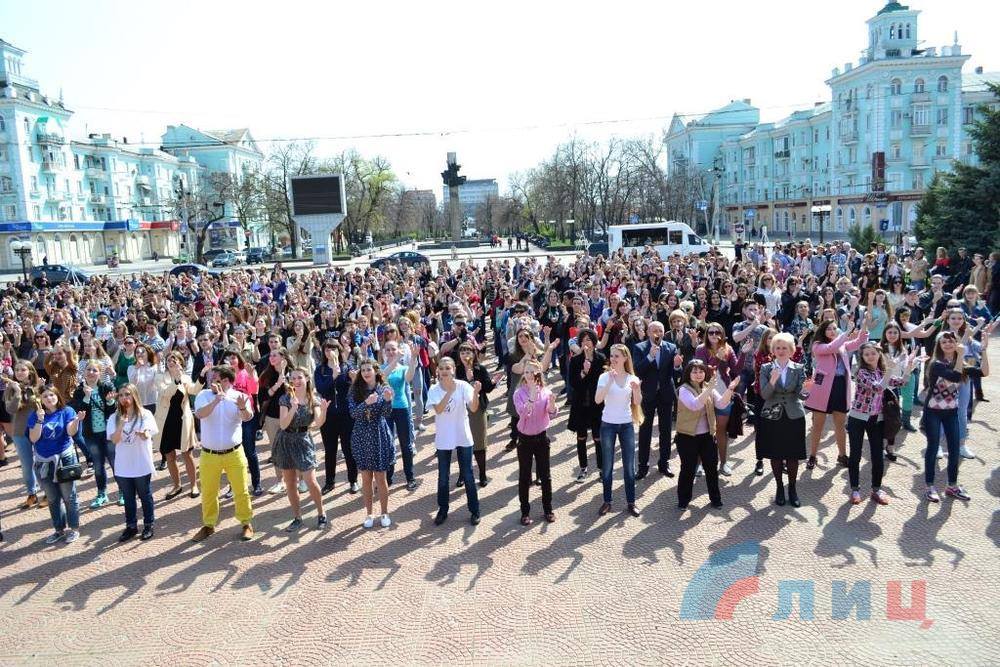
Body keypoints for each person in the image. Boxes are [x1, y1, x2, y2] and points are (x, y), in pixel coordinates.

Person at [845, 343, 918, 506]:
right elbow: (878, 388)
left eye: (873, 353)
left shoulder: (881, 371)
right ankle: (855, 489)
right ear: (862, 358)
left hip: (876, 419)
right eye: (866, 354)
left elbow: (902, 382)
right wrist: (890, 370)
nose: (870, 356)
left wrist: (909, 367)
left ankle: (876, 489)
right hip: (858, 418)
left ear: (879, 355)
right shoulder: (862, 372)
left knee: (877, 455)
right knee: (855, 454)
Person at [191, 365, 255, 542]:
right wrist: (216, 400)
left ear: (228, 381)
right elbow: (200, 414)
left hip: (234, 453)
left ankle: (246, 523)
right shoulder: (204, 395)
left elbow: (248, 417)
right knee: (209, 492)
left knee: (241, 490)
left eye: (218, 380)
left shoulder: (238, 396)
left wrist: (242, 407)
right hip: (209, 454)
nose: (213, 383)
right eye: (212, 379)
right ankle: (209, 525)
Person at [804, 318, 869, 470]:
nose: (832, 331)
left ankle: (842, 455)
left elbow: (859, 341)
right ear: (823, 331)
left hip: (840, 386)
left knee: (839, 424)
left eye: (834, 328)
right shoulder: (818, 345)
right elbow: (831, 347)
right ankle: (813, 456)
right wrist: (846, 332)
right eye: (829, 329)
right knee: (817, 425)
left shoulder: (842, 344)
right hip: (822, 389)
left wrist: (864, 323)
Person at [758, 333, 814, 508]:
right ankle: (779, 488)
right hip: (772, 415)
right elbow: (765, 395)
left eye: (785, 348)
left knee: (792, 455)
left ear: (791, 350)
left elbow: (801, 395)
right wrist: (773, 381)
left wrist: (806, 390)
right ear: (773, 350)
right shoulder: (766, 368)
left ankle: (792, 489)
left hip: (793, 415)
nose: (781, 351)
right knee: (775, 454)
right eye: (778, 348)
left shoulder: (798, 368)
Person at [675, 359, 739, 510]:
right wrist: (709, 390)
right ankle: (683, 501)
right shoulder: (684, 389)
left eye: (701, 371)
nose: (698, 374)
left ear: (705, 372)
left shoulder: (707, 387)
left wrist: (730, 389)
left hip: (707, 435)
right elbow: (695, 405)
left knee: (711, 467)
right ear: (688, 373)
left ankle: (715, 499)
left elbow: (722, 404)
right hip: (687, 436)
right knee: (688, 469)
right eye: (694, 371)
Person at [28, 385, 88, 544]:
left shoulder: (66, 411)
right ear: (41, 399)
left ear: (57, 396)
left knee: (69, 496)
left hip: (64, 460)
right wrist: (40, 420)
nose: (49, 398)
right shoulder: (35, 415)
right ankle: (59, 530)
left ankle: (74, 529)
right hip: (44, 462)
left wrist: (77, 421)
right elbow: (33, 438)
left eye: (52, 395)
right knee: (53, 498)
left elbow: (70, 432)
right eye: (45, 396)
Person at [426, 357, 481, 525]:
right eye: (441, 368)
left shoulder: (463, 386)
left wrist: (476, 393)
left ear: (453, 370)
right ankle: (443, 510)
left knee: (468, 475)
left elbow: (473, 408)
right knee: (443, 476)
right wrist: (449, 391)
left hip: (462, 435)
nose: (444, 371)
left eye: (447, 368)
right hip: (444, 438)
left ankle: (475, 510)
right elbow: (439, 410)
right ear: (438, 371)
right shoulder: (434, 389)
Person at [273, 367, 329, 531]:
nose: (296, 381)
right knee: (290, 483)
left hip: (303, 440)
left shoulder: (314, 399)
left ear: (307, 379)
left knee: (311, 481)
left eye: (299, 378)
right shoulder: (285, 398)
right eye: (293, 378)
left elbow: (318, 423)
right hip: (286, 440)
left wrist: (324, 411)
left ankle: (321, 513)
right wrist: (293, 408)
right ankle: (297, 517)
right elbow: (283, 424)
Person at [594, 344, 643, 517]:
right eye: (612, 356)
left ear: (625, 358)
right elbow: (598, 400)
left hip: (626, 424)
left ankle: (631, 502)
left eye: (617, 356)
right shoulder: (604, 377)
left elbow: (637, 402)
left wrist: (636, 389)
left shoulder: (632, 378)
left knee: (629, 466)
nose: (613, 359)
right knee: (607, 466)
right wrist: (609, 382)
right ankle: (607, 501)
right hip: (607, 424)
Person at [348, 359, 395, 528]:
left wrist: (388, 401)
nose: (366, 372)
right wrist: (366, 403)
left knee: (381, 478)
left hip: (378, 435)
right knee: (366, 478)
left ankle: (384, 512)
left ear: (376, 371)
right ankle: (369, 513)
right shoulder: (354, 391)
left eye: (369, 369)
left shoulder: (383, 389)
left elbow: (387, 413)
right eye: (363, 370)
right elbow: (353, 413)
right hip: (361, 435)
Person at [107, 384, 158, 541]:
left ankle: (148, 524)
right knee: (128, 498)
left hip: (141, 462)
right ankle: (131, 526)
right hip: (124, 465)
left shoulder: (145, 414)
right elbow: (114, 440)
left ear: (134, 396)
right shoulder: (114, 417)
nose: (124, 398)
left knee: (145, 495)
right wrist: (121, 425)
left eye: (127, 394)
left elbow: (148, 434)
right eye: (121, 395)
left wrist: (144, 433)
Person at [633, 321, 682, 479]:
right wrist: (650, 357)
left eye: (660, 331)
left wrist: (676, 366)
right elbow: (637, 370)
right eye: (654, 330)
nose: (657, 333)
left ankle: (664, 463)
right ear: (648, 332)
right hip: (647, 395)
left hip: (666, 394)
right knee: (645, 431)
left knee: (666, 430)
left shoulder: (671, 347)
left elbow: (676, 374)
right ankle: (642, 466)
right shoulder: (639, 348)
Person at [512, 360, 557, 525]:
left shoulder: (545, 391)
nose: (529, 375)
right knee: (525, 476)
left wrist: (552, 404)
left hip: (542, 438)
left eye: (532, 372)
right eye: (526, 372)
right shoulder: (518, 393)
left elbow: (551, 414)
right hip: (525, 439)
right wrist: (531, 396)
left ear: (538, 374)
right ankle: (525, 512)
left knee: (545, 475)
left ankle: (548, 509)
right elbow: (524, 414)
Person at [694, 322, 740, 476]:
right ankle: (698, 465)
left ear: (722, 334)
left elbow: (736, 369)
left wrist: (745, 353)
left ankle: (724, 463)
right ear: (707, 334)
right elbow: (702, 372)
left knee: (721, 430)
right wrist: (717, 359)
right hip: (705, 395)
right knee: (703, 431)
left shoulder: (728, 349)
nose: (714, 335)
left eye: (717, 332)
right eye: (711, 332)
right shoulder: (701, 349)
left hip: (724, 394)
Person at [71, 361, 118, 508]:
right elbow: (80, 412)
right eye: (89, 370)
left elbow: (113, 411)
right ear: (84, 372)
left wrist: (110, 402)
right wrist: (86, 397)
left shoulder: (107, 387)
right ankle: (102, 494)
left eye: (95, 370)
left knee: (115, 463)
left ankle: (123, 491)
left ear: (100, 373)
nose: (91, 372)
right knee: (98, 465)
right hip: (90, 434)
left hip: (108, 433)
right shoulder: (79, 391)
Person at [154, 352, 200, 499]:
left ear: (180, 362)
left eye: (174, 360)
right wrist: (176, 380)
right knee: (169, 456)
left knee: (187, 454)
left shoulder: (185, 377)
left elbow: (194, 390)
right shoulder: (160, 377)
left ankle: (193, 485)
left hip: (182, 421)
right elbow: (166, 393)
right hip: (166, 422)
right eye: (169, 360)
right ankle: (177, 485)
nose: (171, 362)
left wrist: (203, 377)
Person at [315, 341, 358, 494]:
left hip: (346, 415)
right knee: (330, 450)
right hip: (328, 415)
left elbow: (356, 388)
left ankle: (353, 480)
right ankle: (329, 481)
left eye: (333, 349)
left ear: (339, 351)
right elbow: (321, 388)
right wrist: (332, 376)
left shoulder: (347, 367)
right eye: (327, 349)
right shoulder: (320, 370)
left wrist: (354, 379)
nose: (330, 352)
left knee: (348, 449)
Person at [4, 361, 45, 508]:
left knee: (41, 462)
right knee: (27, 465)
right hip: (20, 431)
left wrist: (39, 389)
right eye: (17, 370)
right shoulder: (11, 388)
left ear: (30, 371)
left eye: (23, 369)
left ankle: (47, 492)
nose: (19, 372)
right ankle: (31, 493)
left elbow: (45, 405)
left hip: (38, 429)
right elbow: (11, 409)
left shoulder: (39, 386)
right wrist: (18, 392)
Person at [567, 329, 605, 482]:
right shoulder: (575, 360)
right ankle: (583, 468)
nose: (586, 342)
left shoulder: (601, 358)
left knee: (598, 438)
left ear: (594, 342)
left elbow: (604, 380)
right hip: (581, 404)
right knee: (581, 437)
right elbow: (573, 383)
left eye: (589, 339)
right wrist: (584, 372)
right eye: (583, 340)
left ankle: (602, 469)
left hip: (597, 404)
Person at [456, 343, 497, 487]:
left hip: (478, 410)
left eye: (468, 352)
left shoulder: (481, 369)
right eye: (462, 353)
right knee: (462, 444)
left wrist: (493, 382)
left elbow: (487, 388)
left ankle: (482, 473)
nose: (465, 355)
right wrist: (467, 380)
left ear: (474, 354)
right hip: (461, 410)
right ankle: (463, 474)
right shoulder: (456, 370)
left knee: (479, 443)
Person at [382, 340, 418, 489]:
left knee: (406, 444)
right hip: (386, 409)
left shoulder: (403, 367)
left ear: (398, 350)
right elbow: (383, 377)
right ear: (384, 352)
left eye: (393, 349)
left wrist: (414, 358)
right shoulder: (380, 368)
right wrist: (395, 360)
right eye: (388, 349)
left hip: (402, 407)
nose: (391, 352)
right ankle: (388, 477)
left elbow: (409, 378)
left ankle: (410, 477)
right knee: (388, 444)